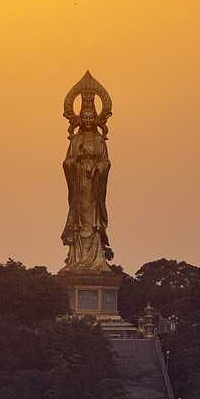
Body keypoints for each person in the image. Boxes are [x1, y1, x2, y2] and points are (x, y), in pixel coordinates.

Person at [60, 103, 112, 272]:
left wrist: (98, 167)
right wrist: (77, 160)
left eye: (91, 117)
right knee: (78, 221)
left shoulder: (99, 140)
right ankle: (76, 260)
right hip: (80, 187)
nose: (88, 120)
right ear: (79, 119)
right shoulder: (76, 140)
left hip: (94, 187)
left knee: (94, 222)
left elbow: (106, 163)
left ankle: (97, 260)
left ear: (96, 119)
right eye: (85, 117)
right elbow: (67, 162)